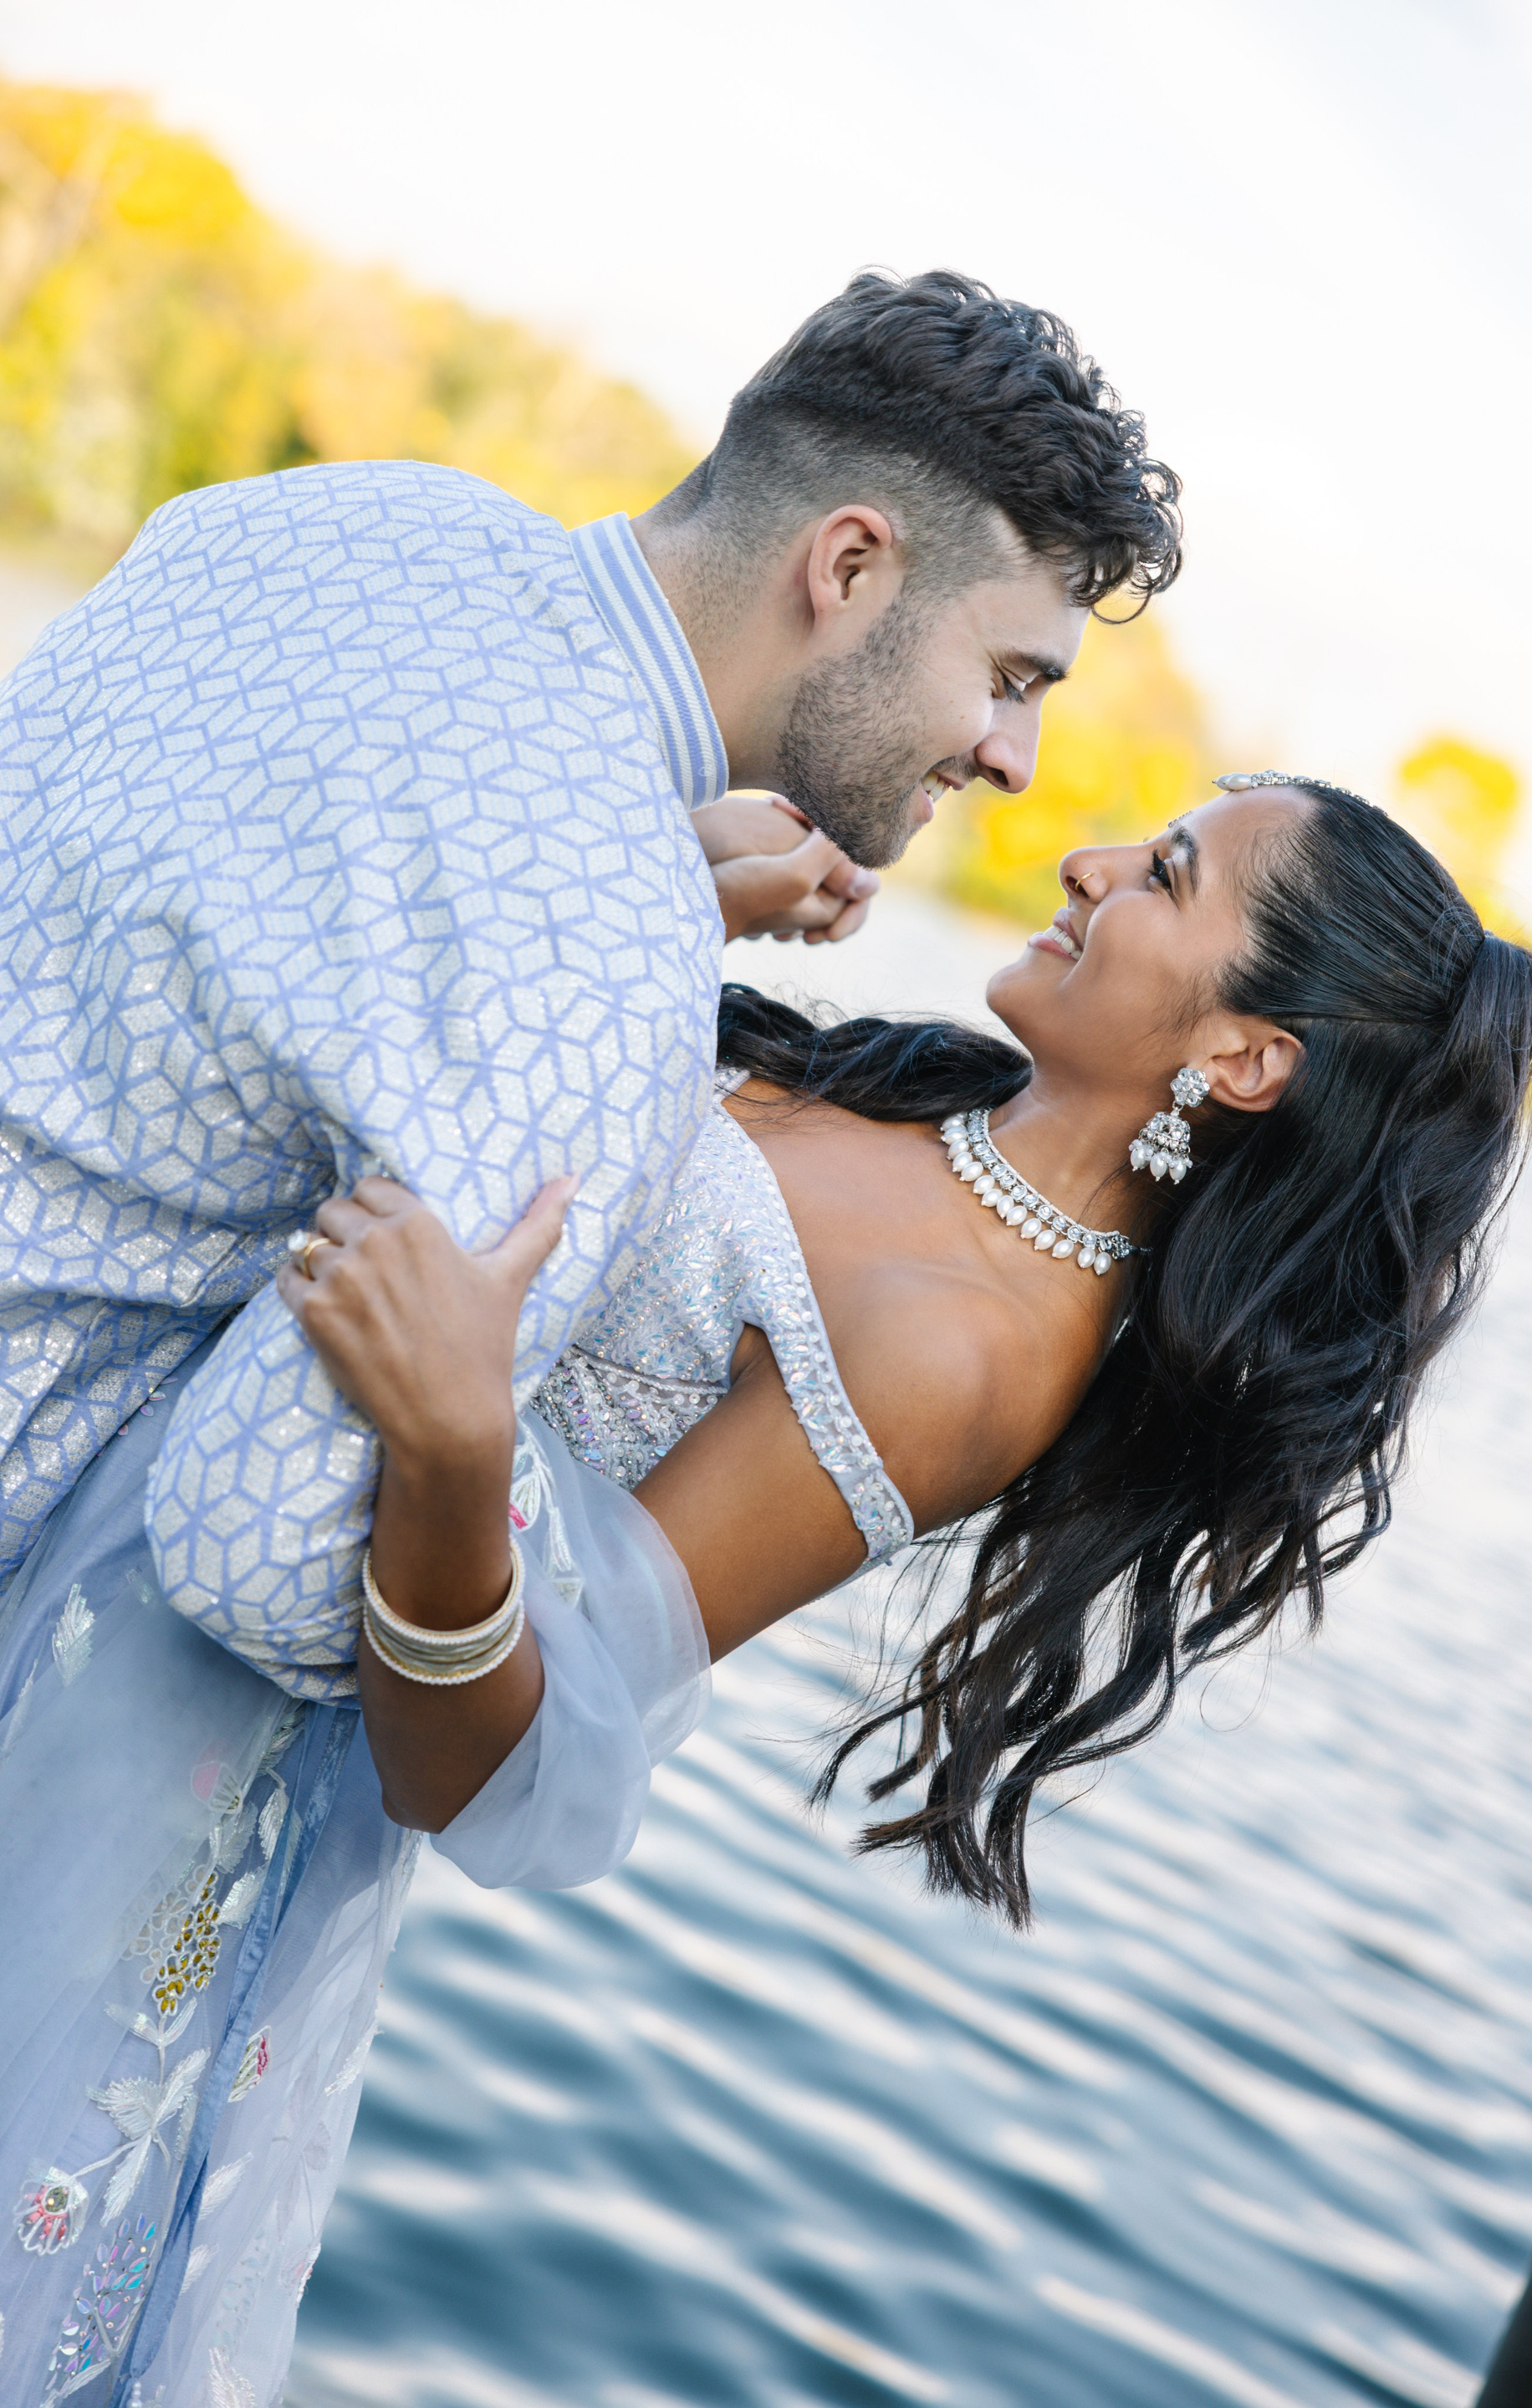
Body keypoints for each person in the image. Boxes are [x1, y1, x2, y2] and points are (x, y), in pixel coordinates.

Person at [0, 271, 1181, 2402]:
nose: (1013, 759)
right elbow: (250, 1540)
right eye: (1010, 673)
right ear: (850, 567)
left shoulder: (345, 518)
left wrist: (648, 898)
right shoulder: (597, 981)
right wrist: (462, 1464)